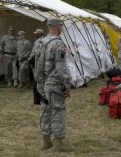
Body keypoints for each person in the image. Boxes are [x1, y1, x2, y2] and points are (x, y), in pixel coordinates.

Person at [38, 18, 72, 152]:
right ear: (57, 26)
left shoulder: (40, 41)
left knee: (45, 111)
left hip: (42, 83)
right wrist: (67, 83)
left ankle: (46, 141)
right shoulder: (58, 43)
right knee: (58, 111)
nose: (61, 28)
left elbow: (34, 61)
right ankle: (58, 144)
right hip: (54, 83)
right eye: (61, 25)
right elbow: (60, 66)